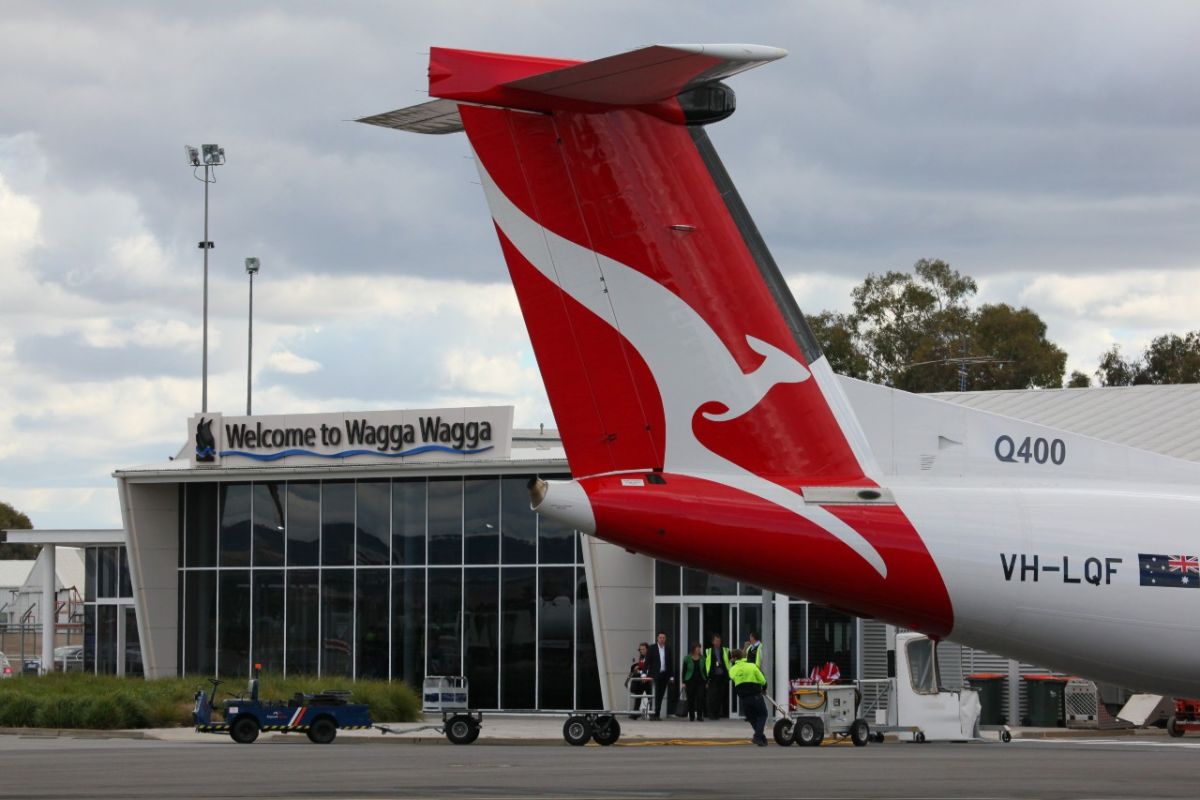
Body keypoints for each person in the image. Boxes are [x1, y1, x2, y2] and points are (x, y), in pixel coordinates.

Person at [729, 647, 769, 746]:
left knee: (752, 718)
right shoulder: (752, 666)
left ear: (734, 658)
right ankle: (758, 736)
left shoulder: (732, 670)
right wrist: (764, 688)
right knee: (763, 714)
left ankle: (760, 737)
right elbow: (762, 680)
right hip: (755, 695)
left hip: (743, 698)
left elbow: (734, 678)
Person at [646, 631, 675, 719]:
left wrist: (671, 676)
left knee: (661, 695)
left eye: (663, 638)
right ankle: (652, 713)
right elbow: (648, 661)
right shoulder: (652, 648)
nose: (662, 639)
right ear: (657, 638)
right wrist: (644, 673)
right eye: (660, 638)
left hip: (664, 675)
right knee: (655, 694)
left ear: (665, 639)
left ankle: (657, 714)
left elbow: (670, 663)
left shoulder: (668, 649)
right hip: (655, 675)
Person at [704, 634, 731, 719]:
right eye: (716, 641)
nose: (718, 642)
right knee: (712, 696)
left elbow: (730, 660)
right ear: (712, 642)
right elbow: (705, 664)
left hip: (722, 676)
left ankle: (717, 714)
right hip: (713, 676)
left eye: (719, 641)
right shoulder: (708, 651)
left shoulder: (725, 650)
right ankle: (711, 714)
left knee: (720, 695)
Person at [680, 643, 707, 721]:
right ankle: (691, 716)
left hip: (701, 681)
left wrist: (706, 681)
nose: (699, 649)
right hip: (690, 681)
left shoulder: (702, 658)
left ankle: (699, 716)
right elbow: (684, 671)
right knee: (691, 698)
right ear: (693, 649)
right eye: (697, 648)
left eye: (699, 648)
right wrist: (683, 682)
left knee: (700, 698)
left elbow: (704, 670)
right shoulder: (687, 658)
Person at [626, 642, 651, 718]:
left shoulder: (650, 657)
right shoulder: (641, 657)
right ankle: (635, 714)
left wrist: (639, 671)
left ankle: (653, 714)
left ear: (647, 649)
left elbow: (649, 668)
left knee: (650, 696)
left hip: (648, 680)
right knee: (638, 696)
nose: (641, 651)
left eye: (643, 649)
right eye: (640, 649)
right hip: (640, 680)